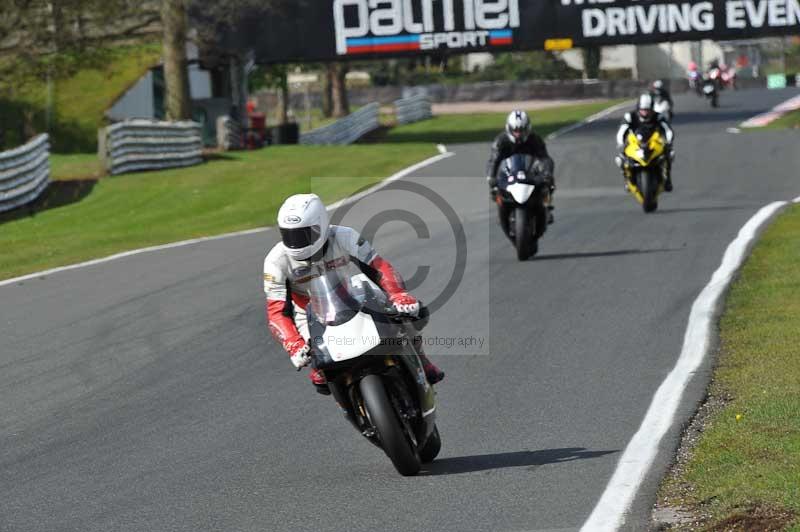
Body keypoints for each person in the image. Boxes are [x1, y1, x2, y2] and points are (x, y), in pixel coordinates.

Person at [263, 193, 445, 394]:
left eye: (304, 234)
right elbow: (276, 311)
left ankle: (422, 361)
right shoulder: (275, 262)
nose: (296, 242)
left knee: (408, 314)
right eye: (289, 235)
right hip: (307, 312)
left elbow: (379, 267)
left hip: (353, 293)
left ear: (321, 225)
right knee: (319, 374)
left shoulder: (345, 236)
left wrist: (398, 295)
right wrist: (293, 344)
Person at [486, 110, 556, 223]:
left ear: (527, 128)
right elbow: (493, 160)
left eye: (521, 130)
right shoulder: (501, 141)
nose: (518, 133)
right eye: (515, 130)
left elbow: (545, 158)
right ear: (509, 128)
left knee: (548, 183)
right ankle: (501, 209)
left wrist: (547, 172)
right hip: (508, 172)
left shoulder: (535, 139)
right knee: (495, 189)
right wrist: (491, 176)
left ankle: (546, 206)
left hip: (530, 171)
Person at [615, 93, 675, 192]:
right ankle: (627, 180)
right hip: (634, 143)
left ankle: (667, 178)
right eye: (643, 110)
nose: (645, 112)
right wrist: (620, 143)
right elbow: (622, 131)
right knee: (620, 159)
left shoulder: (658, 116)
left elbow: (668, 130)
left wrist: (669, 141)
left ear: (652, 108)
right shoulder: (630, 116)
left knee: (669, 154)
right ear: (638, 108)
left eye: (647, 110)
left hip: (654, 142)